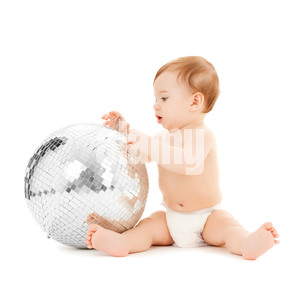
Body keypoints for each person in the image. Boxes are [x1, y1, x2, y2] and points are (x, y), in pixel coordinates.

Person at [86, 56, 279, 259]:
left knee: (227, 226)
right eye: (155, 99)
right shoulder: (162, 139)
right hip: (171, 219)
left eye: (164, 98)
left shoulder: (202, 135)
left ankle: (247, 243)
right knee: (148, 227)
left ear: (195, 102)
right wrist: (125, 133)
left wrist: (150, 145)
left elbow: (190, 163)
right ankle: (123, 242)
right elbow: (137, 158)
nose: (156, 105)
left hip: (206, 218)